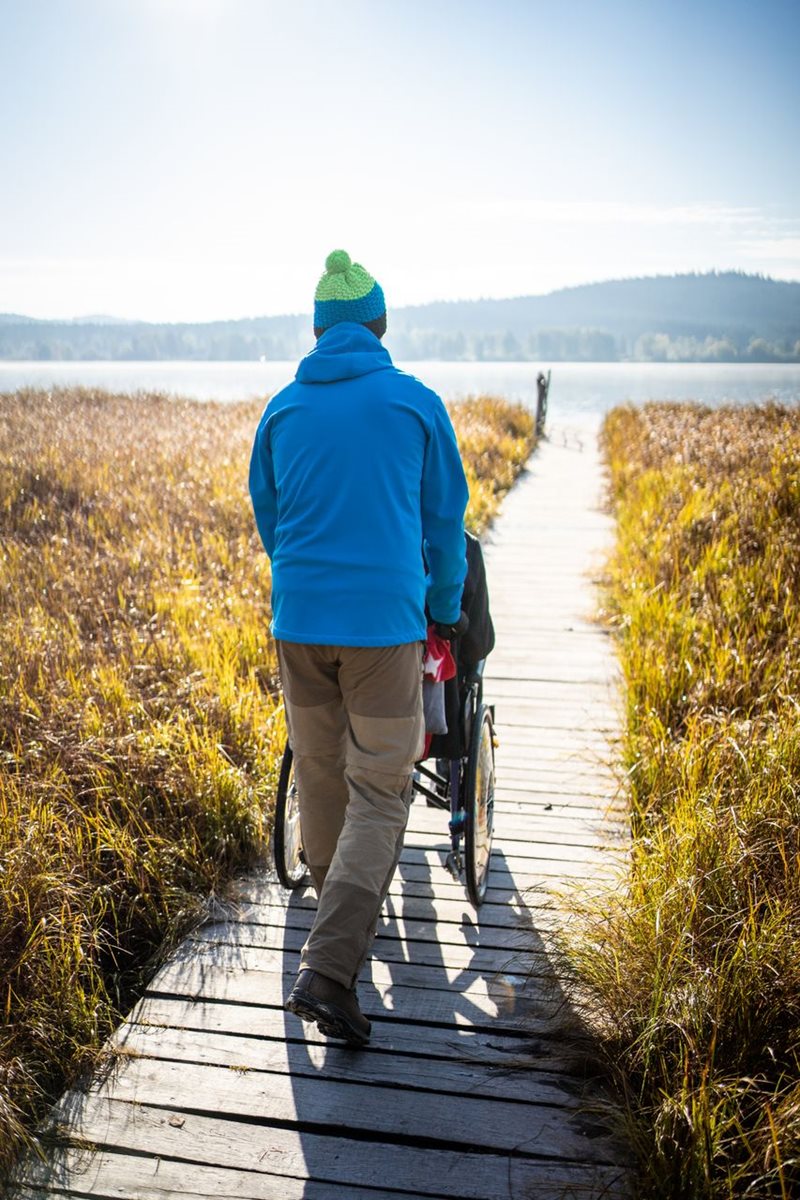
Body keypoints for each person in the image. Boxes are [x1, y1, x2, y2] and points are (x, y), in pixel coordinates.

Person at [249, 249, 469, 1046]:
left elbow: (270, 520)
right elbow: (446, 527)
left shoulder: (281, 409)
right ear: (380, 326)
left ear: (316, 330)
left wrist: (309, 582)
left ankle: (331, 927)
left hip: (300, 625)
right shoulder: (415, 404)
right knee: (382, 787)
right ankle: (333, 969)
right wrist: (441, 612)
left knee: (321, 775)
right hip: (383, 631)